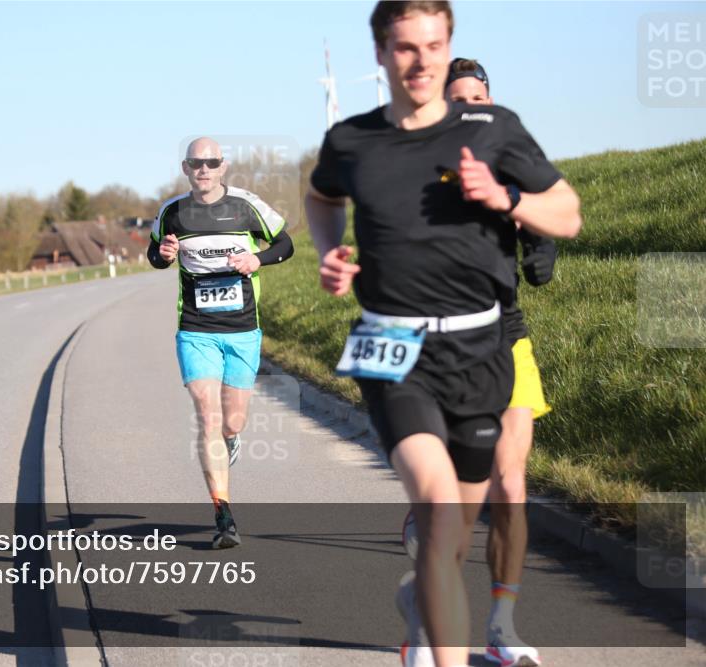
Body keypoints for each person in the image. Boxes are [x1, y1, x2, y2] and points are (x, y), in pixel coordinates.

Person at [305, 3, 581, 666]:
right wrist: (332, 251)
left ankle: (426, 600)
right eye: (405, 47)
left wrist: (507, 200)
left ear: (448, 43)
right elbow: (320, 198)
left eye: (434, 45)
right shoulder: (350, 140)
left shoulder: (494, 128)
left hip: (483, 348)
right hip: (394, 349)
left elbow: (566, 214)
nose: (422, 60)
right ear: (381, 54)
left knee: (454, 529)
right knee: (435, 502)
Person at [403, 57, 557, 667]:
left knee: (511, 486)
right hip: (441, 348)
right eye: (457, 98)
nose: (470, 107)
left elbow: (541, 209)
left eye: (478, 97)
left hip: (508, 339)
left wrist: (541, 247)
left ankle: (501, 626)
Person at [147, 137, 294, 549]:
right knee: (207, 416)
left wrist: (257, 259)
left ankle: (231, 440)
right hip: (195, 330)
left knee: (231, 422)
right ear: (185, 168)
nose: (204, 169)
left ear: (223, 166)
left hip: (244, 330)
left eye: (211, 162)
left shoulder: (247, 205)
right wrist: (164, 254)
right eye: (196, 163)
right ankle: (223, 515)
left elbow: (286, 244)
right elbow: (155, 256)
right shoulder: (172, 212)